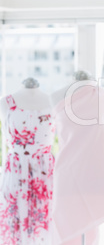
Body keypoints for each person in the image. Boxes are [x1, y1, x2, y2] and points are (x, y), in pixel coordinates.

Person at [0, 78, 54, 245]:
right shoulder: (5, 103)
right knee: (14, 223)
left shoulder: (53, 102)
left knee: (43, 224)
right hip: (15, 173)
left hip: (44, 174)